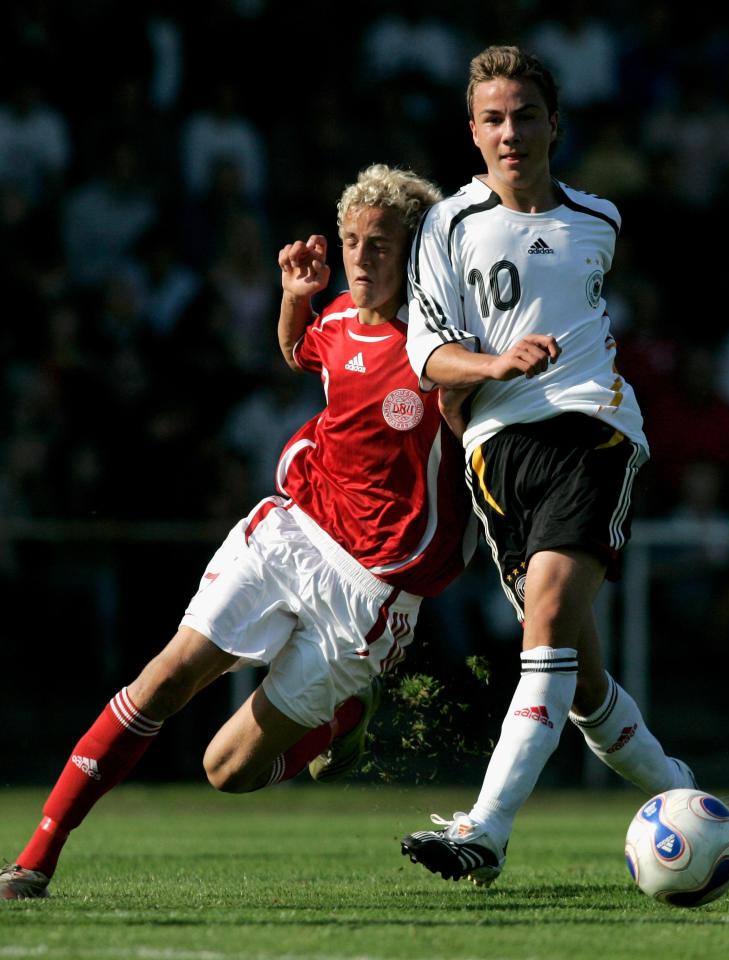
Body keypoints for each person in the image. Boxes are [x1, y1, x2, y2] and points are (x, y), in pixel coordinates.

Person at [0, 163, 475, 900]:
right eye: (352, 240)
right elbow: (298, 351)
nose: (359, 257)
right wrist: (293, 299)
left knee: (228, 771)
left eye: (379, 244)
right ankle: (36, 858)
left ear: (414, 252)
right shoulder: (341, 319)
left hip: (369, 592)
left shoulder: (447, 354)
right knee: (165, 676)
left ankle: (347, 712)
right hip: (290, 532)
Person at [399, 44, 696, 886]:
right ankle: (690, 803)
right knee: (581, 684)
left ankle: (484, 830)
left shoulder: (598, 220)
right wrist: (493, 366)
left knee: (550, 616)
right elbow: (427, 353)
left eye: (526, 114)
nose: (511, 132)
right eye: (493, 118)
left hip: (592, 431)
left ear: (554, 123)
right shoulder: (447, 225)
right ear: (472, 130)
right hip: (497, 458)